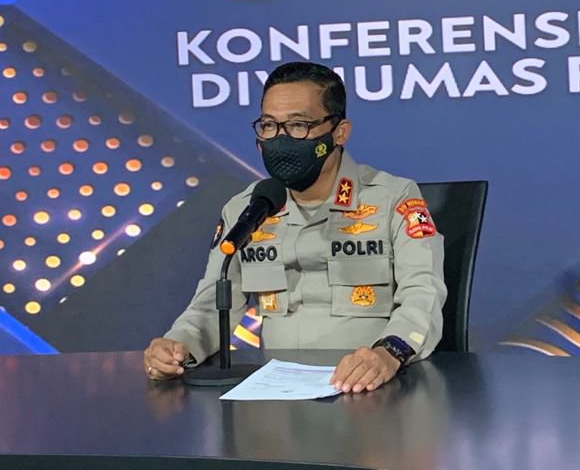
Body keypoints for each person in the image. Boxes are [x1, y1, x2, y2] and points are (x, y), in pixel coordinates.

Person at [143, 62, 445, 393]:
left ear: (339, 132)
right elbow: (212, 307)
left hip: (369, 388)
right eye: (269, 125)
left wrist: (389, 353)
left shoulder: (392, 197)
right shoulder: (247, 209)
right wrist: (176, 347)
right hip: (277, 394)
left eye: (298, 125)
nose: (280, 138)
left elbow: (423, 293)